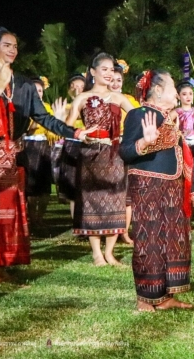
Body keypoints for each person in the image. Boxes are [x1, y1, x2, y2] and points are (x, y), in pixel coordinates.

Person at [0, 27, 91, 284]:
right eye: (7, 45)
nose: (12, 50)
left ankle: (4, 262)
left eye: (15, 46)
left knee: (9, 213)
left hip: (15, 157)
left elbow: (45, 118)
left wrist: (75, 132)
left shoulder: (25, 84)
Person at [120, 69, 194, 311]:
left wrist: (192, 190)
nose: (177, 92)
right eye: (172, 86)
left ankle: (166, 296)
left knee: (172, 241)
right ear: (157, 90)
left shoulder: (171, 118)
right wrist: (145, 142)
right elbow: (125, 151)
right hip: (149, 185)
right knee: (150, 240)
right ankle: (145, 299)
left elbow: (182, 153)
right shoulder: (140, 114)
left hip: (173, 184)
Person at [65, 52, 135, 266]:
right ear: (93, 72)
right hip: (89, 154)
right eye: (104, 69)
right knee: (91, 201)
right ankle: (97, 253)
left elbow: (139, 119)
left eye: (111, 70)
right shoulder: (82, 98)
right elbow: (68, 128)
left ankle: (110, 253)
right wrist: (74, 129)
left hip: (114, 154)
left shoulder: (119, 98)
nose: (108, 73)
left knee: (115, 198)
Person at [110, 61, 140, 246]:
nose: (115, 84)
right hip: (108, 146)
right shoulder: (101, 99)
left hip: (125, 145)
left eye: (118, 80)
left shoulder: (129, 100)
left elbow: (137, 118)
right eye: (112, 80)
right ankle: (109, 230)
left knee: (127, 193)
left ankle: (125, 232)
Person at [22, 77, 57, 225]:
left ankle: (40, 217)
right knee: (30, 185)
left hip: (45, 146)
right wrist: (31, 126)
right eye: (35, 90)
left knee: (44, 185)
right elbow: (23, 129)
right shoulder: (24, 108)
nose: (38, 93)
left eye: (40, 90)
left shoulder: (47, 108)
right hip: (29, 146)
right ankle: (32, 216)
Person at [56, 74, 86, 215]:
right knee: (73, 186)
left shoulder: (90, 106)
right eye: (74, 87)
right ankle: (75, 223)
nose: (78, 90)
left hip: (87, 144)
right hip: (72, 145)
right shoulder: (66, 107)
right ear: (69, 90)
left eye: (81, 87)